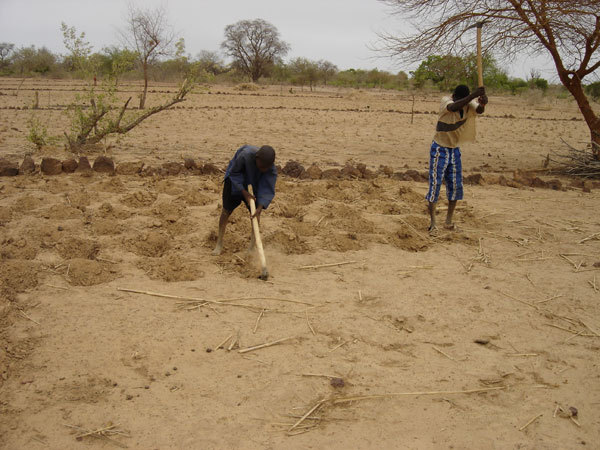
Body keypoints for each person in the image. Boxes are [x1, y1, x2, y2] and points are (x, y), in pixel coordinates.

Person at [426, 84, 488, 234]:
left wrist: (483, 103)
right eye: (464, 99)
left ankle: (448, 221)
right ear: (454, 96)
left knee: (455, 186)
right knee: (435, 186)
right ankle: (433, 223)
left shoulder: (468, 103)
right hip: (439, 148)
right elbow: (454, 107)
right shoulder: (446, 101)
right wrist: (473, 95)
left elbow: (479, 110)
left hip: (454, 150)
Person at [212, 145, 277, 255]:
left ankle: (252, 247)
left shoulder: (270, 169)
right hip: (234, 180)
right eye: (261, 167)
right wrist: (244, 192)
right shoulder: (245, 156)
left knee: (255, 214)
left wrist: (260, 207)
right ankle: (219, 243)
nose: (264, 170)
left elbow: (266, 188)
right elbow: (234, 173)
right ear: (256, 159)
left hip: (254, 182)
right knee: (226, 210)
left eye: (266, 168)